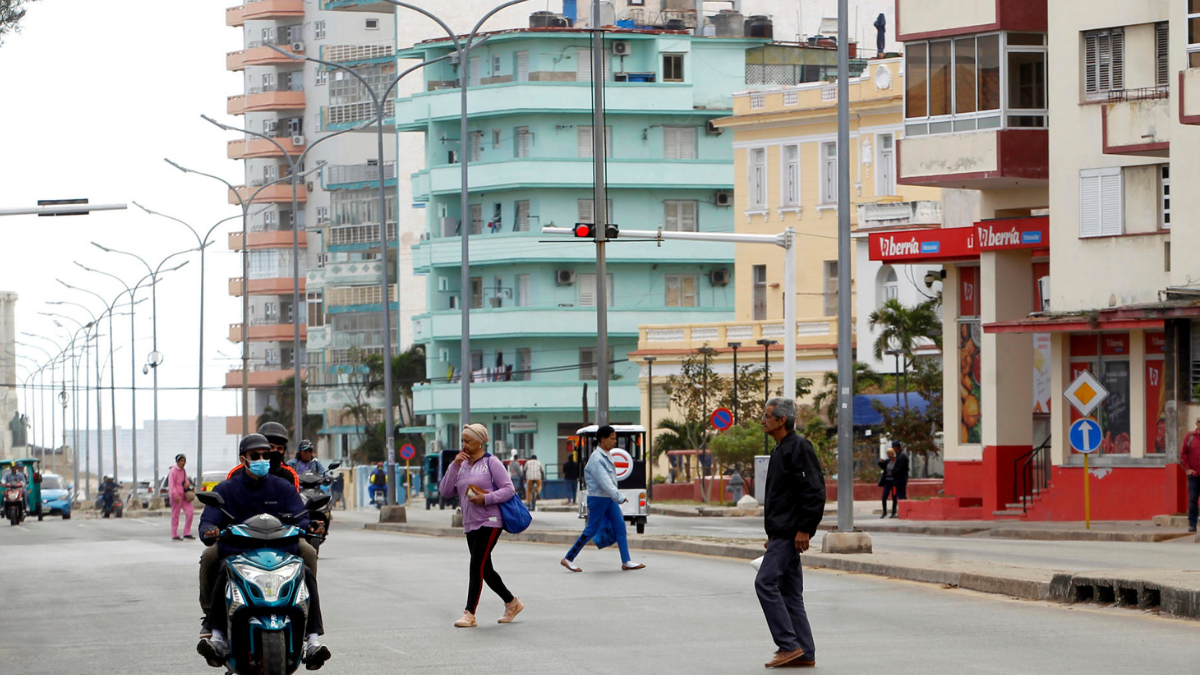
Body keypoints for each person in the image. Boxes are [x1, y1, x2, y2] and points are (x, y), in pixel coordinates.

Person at [196, 434, 330, 670]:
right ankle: (214, 631)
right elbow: (208, 519)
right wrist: (210, 530)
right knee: (211, 558)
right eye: (255, 456)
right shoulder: (225, 489)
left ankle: (312, 639)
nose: (261, 459)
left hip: (281, 547)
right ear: (243, 459)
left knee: (307, 556)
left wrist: (310, 526)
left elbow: (301, 517)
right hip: (238, 549)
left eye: (265, 455)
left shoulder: (284, 487)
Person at [756, 397, 824, 669]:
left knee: (764, 583)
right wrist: (773, 533)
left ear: (782, 420)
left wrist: (805, 528)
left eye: (767, 416)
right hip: (781, 534)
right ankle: (804, 652)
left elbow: (814, 491)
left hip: (790, 534)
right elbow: (783, 497)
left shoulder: (798, 447)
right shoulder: (781, 449)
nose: (762, 420)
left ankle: (787, 645)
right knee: (790, 593)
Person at [438, 423, 524, 628]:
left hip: (491, 520)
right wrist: (454, 466)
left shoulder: (492, 463)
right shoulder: (462, 465)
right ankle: (512, 603)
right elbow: (445, 491)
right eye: (462, 441)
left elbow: (508, 489)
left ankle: (469, 613)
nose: (464, 445)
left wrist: (486, 499)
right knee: (485, 568)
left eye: (468, 441)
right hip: (470, 522)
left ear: (481, 442)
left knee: (476, 564)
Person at [560, 425, 645, 573]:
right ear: (602, 439)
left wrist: (615, 496)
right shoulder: (596, 459)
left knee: (620, 526)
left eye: (615, 438)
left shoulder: (607, 454)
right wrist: (619, 497)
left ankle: (626, 561)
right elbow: (605, 482)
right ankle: (568, 558)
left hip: (608, 498)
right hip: (599, 499)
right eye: (612, 438)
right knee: (591, 530)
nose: (614, 442)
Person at [225, 421, 301, 490]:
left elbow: (294, 501)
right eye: (271, 447)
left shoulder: (289, 474)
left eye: (279, 448)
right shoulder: (236, 473)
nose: (275, 452)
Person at [169, 454, 196, 540]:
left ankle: (187, 532)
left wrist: (187, 484)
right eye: (181, 461)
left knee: (190, 512)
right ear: (177, 461)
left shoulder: (183, 471)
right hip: (176, 496)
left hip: (184, 494)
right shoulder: (173, 471)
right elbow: (172, 485)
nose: (183, 463)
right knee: (175, 515)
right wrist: (175, 495)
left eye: (184, 461)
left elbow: (186, 481)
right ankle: (174, 534)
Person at [1181, 416, 1200, 533]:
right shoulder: (1190, 437)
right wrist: (1187, 469)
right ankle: (1192, 524)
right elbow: (1183, 454)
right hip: (1194, 475)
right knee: (1193, 499)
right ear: (1197, 424)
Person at [891, 440, 910, 516]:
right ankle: (897, 512)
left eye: (893, 447)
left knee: (900, 495)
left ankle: (903, 512)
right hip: (897, 479)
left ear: (896, 447)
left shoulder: (901, 456)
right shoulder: (900, 455)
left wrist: (893, 473)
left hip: (900, 479)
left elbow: (900, 468)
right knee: (896, 495)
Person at [878, 447, 897, 519]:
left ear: (893, 453)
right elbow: (882, 466)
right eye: (888, 453)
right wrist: (881, 462)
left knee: (894, 496)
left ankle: (893, 512)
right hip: (887, 481)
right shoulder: (887, 461)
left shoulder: (896, 461)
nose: (889, 455)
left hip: (894, 482)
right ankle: (884, 512)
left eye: (890, 453)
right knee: (884, 496)